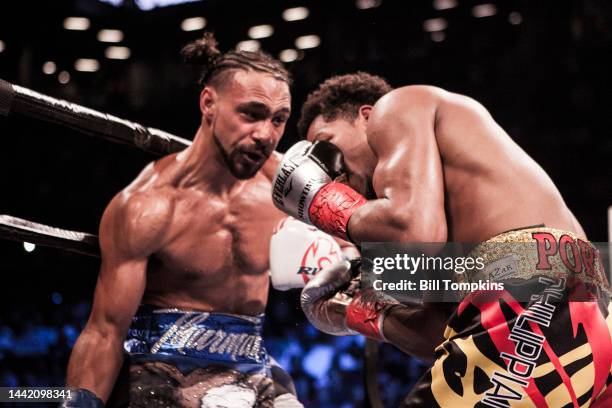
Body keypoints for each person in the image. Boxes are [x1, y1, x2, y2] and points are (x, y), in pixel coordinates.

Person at [273, 72, 612, 407]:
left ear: (365, 115)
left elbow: (415, 234)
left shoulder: (398, 107)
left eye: (325, 145)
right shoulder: (422, 214)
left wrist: (320, 201)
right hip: (586, 321)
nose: (331, 172)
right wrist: (355, 310)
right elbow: (444, 337)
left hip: (537, 291)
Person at [63, 32, 331, 408]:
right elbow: (104, 332)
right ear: (208, 103)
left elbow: (358, 245)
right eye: (251, 114)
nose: (265, 135)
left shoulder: (285, 185)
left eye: (278, 120)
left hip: (254, 366)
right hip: (163, 371)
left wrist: (437, 278)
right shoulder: (148, 206)